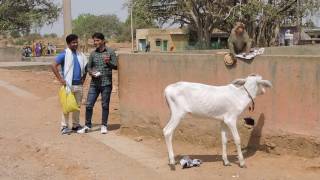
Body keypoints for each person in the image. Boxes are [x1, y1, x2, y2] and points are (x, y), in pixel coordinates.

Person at [77, 32, 117, 134]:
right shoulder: (93, 54)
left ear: (103, 41)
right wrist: (92, 73)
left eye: (97, 40)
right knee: (89, 105)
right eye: (94, 40)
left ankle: (104, 125)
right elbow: (88, 67)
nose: (95, 42)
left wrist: (109, 62)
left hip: (106, 84)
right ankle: (87, 125)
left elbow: (116, 66)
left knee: (105, 105)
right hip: (94, 84)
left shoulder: (111, 52)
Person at [51, 34, 88, 135]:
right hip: (68, 85)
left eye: (76, 42)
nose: (75, 44)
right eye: (73, 42)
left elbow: (85, 68)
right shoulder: (64, 54)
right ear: (68, 44)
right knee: (66, 106)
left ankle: (76, 125)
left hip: (78, 85)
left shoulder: (81, 55)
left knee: (77, 106)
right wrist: (60, 79)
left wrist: (83, 79)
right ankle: (64, 126)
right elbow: (53, 66)